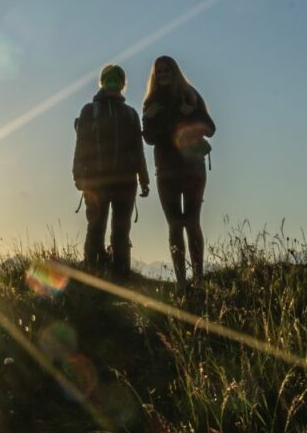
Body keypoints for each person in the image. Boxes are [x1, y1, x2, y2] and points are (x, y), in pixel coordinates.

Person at [141, 54, 215, 288]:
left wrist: (190, 113)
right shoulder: (150, 103)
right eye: (159, 72)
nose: (163, 75)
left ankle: (199, 278)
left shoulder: (190, 95)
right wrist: (156, 118)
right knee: (174, 225)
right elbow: (150, 138)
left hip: (193, 169)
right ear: (155, 75)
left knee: (192, 223)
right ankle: (182, 281)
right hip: (166, 171)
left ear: (175, 72)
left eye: (167, 71)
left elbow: (210, 129)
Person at [71, 63, 149, 278]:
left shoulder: (131, 115)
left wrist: (144, 178)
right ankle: (94, 271)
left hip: (125, 182)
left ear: (122, 84)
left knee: (120, 231)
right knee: (96, 227)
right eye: (108, 79)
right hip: (97, 181)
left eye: (116, 80)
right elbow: (81, 145)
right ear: (102, 83)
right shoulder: (89, 111)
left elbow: (137, 147)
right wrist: (78, 175)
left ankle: (119, 274)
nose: (112, 84)